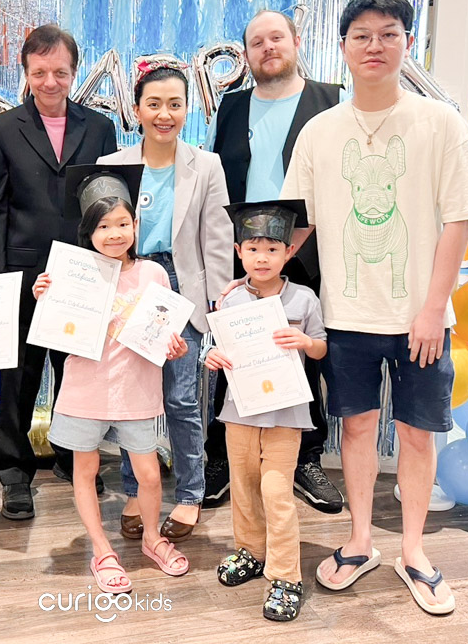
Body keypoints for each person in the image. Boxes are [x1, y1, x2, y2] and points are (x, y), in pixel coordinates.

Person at [281, 0, 468, 615]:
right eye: (362, 36)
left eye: (388, 34)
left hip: (420, 319)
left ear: (408, 42)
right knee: (354, 428)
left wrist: (433, 309)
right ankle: (359, 541)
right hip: (345, 315)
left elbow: (459, 220)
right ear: (343, 47)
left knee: (416, 435)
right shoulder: (320, 132)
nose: (374, 46)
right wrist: (252, 276)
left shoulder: (441, 124)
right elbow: (298, 221)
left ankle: (413, 551)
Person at [0, 25, 118, 520]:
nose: (50, 82)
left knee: (76, 373)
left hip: (83, 273)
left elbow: (109, 201)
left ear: (74, 72)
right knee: (19, 374)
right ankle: (13, 469)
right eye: (40, 72)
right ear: (26, 72)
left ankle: (71, 455)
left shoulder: (99, 128)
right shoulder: (0, 130)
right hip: (21, 273)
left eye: (60, 72)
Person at [206, 10, 344, 515]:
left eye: (276, 38)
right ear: (246, 54)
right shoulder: (231, 108)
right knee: (234, 351)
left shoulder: (330, 100)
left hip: (307, 251)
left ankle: (306, 457)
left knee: (303, 354)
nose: (268, 48)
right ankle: (222, 457)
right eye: (257, 42)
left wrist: (297, 242)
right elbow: (219, 184)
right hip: (245, 254)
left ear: (296, 41)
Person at [39, 164, 190, 593]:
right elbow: (54, 328)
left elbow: (164, 331)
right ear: (88, 231)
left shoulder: (153, 274)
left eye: (123, 223)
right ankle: (101, 548)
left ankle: (152, 538)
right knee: (85, 470)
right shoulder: (73, 271)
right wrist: (45, 297)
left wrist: (173, 346)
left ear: (136, 225)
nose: (114, 234)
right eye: (103, 226)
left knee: (149, 474)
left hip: (135, 390)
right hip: (85, 388)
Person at [98, 60, 232, 542]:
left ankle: (190, 493)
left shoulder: (207, 165)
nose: (164, 114)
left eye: (175, 104)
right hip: (130, 279)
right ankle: (135, 489)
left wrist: (219, 304)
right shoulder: (112, 165)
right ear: (136, 110)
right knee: (132, 398)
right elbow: (96, 235)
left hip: (182, 286)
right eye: (154, 104)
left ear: (187, 109)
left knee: (181, 398)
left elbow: (218, 239)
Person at [206, 199, 326, 623]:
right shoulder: (230, 300)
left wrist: (306, 343)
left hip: (285, 416)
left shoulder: (304, 299)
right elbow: (216, 348)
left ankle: (285, 575)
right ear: (239, 251)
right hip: (239, 411)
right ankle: (251, 552)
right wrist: (212, 356)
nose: (262, 257)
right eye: (253, 249)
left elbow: (321, 346)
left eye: (272, 249)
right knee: (243, 487)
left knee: (277, 494)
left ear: (288, 252)